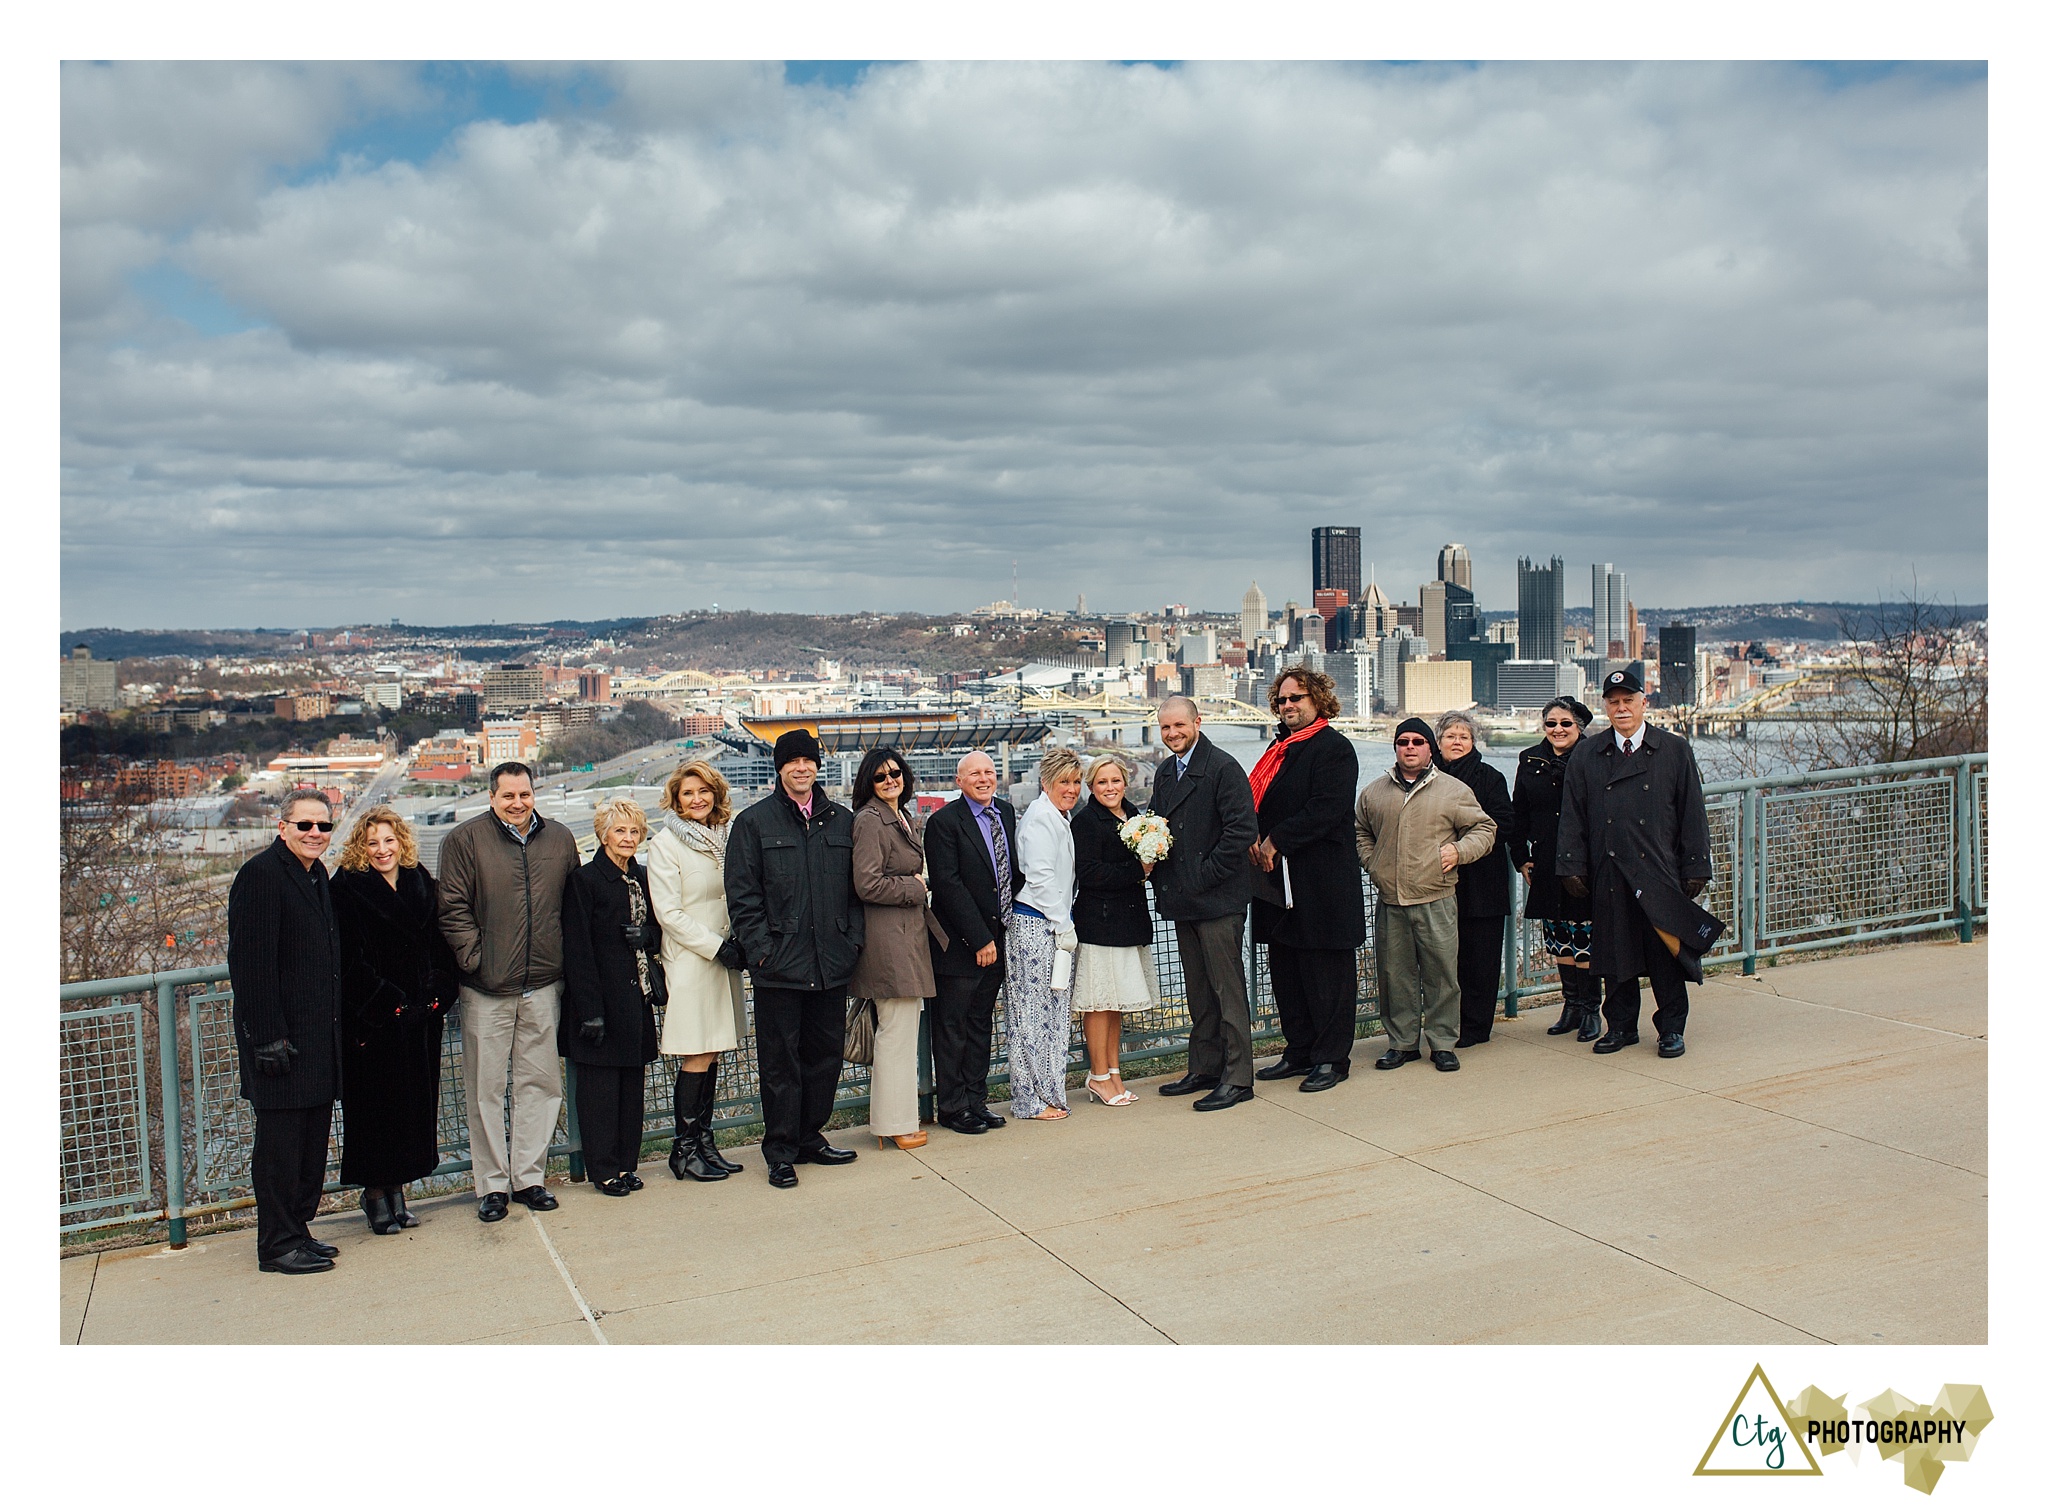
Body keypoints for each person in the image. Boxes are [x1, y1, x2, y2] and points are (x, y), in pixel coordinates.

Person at [437, 761, 581, 1222]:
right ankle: (492, 1184)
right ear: (492, 798)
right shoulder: (464, 840)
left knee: (541, 1084)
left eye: (525, 795)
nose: (517, 804)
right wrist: (476, 960)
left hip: (542, 982)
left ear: (534, 793)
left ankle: (530, 1178)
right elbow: (452, 908)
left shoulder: (559, 839)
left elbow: (570, 905)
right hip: (486, 987)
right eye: (508, 797)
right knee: (486, 1088)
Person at [724, 729, 864, 1188]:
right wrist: (761, 952)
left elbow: (854, 894)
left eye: (808, 760)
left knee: (824, 1057)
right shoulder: (754, 823)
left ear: (817, 766)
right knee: (780, 1063)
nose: (801, 768)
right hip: (778, 968)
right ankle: (780, 1149)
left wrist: (852, 943)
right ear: (779, 768)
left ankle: (810, 1137)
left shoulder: (840, 820)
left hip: (830, 963)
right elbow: (743, 897)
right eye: (792, 762)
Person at [1556, 668, 1717, 1059]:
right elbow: (1573, 813)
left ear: (1644, 703)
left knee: (1666, 954)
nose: (1621, 708)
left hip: (1659, 869)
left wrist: (1696, 865)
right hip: (1609, 869)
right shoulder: (1588, 753)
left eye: (1629, 700)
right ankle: (1622, 1026)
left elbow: (1692, 811)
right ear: (1605, 707)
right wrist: (1571, 864)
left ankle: (1671, 1029)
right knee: (1614, 953)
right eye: (1614, 702)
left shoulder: (1674, 749)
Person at [227, 790, 344, 1274]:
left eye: (323, 826)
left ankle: (298, 1230)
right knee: (279, 1148)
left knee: (310, 1144)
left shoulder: (315, 874)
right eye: (305, 825)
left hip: (317, 1040)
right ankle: (276, 1245)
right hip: (281, 1043)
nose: (315, 833)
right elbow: (250, 964)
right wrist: (268, 1037)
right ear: (282, 827)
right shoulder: (260, 875)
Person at [331, 805, 459, 1236]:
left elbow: (441, 946)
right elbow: (348, 961)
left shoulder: (420, 880)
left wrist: (437, 997)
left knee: (412, 1108)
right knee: (375, 1111)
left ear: (401, 841)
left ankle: (399, 1192)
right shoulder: (346, 889)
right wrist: (393, 1005)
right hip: (375, 1024)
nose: (382, 850)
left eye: (389, 841)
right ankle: (374, 1196)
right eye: (373, 843)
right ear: (360, 848)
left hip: (421, 1019)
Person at [1247, 667, 1366, 1092]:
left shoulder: (1334, 748)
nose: (1288, 705)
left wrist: (1276, 839)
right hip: (1277, 883)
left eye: (1296, 698)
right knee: (1287, 970)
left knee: (1326, 973)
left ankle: (1332, 1059)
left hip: (1321, 885)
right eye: (1281, 700)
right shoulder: (1278, 750)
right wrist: (1253, 836)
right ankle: (1299, 1050)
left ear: (1317, 700)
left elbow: (1328, 808)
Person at [1355, 719, 1497, 1073]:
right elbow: (1360, 831)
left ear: (1430, 748)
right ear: (1396, 747)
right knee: (1395, 976)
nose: (1410, 747)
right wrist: (1374, 864)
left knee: (1442, 976)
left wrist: (1459, 852)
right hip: (1392, 900)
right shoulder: (1375, 792)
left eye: (1418, 741)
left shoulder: (1453, 790)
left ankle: (1443, 1042)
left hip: (1436, 897)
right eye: (1403, 741)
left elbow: (1485, 828)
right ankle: (1402, 1043)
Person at [1149, 696, 1259, 1111]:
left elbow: (1241, 831)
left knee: (1227, 990)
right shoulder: (1165, 771)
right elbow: (1157, 824)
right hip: (1184, 899)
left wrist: (1203, 876)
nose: (1173, 734)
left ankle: (1238, 1078)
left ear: (1198, 721)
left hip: (1217, 900)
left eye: (1179, 725)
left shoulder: (1223, 768)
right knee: (1198, 990)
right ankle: (1206, 1067)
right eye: (1165, 728)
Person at [646, 760, 748, 1182]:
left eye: (703, 791)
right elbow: (668, 913)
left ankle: (704, 1144)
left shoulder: (723, 837)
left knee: (715, 1049)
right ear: (676, 799)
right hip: (693, 960)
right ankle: (683, 1149)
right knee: (697, 1053)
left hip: (724, 958)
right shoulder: (665, 844)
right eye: (688, 793)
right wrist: (716, 947)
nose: (697, 799)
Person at [560, 799, 664, 1196]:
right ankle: (603, 1170)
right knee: (600, 1092)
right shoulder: (584, 881)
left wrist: (648, 936)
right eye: (620, 831)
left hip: (635, 1000)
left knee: (631, 1089)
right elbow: (578, 948)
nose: (628, 838)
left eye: (635, 831)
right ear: (603, 834)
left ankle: (626, 1164)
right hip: (600, 1002)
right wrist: (590, 1011)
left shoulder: (640, 875)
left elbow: (657, 926)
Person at [922, 750, 1021, 1136]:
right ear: (959, 781)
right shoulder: (943, 822)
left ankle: (976, 1100)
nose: (983, 779)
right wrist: (979, 937)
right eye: (974, 774)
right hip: (961, 947)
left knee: (981, 1024)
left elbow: (1011, 873)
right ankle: (952, 1106)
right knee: (953, 1027)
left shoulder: (1006, 813)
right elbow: (947, 885)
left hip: (999, 939)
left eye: (989, 772)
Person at [848, 747, 938, 1150]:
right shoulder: (870, 820)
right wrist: (914, 888)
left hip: (904, 936)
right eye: (881, 776)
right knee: (896, 1035)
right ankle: (894, 1123)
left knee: (901, 1031)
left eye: (896, 774)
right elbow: (866, 884)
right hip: (889, 940)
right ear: (868, 781)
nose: (890, 781)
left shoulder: (898, 815)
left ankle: (897, 1120)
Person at [1508, 697, 1605, 1042]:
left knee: (1585, 936)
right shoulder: (1529, 759)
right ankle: (1572, 1006)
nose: (1558, 729)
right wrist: (1520, 856)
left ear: (1579, 726)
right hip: (1546, 859)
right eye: (1551, 723)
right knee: (1559, 937)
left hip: (1585, 861)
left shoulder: (1595, 757)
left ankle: (1592, 1008)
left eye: (1565, 723)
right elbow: (1518, 812)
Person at [1069, 754, 1160, 1105]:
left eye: (1115, 781)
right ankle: (1098, 1075)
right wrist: (1140, 870)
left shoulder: (1136, 817)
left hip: (1129, 921)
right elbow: (1090, 874)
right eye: (1102, 782)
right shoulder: (1086, 822)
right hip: (1100, 923)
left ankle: (1114, 1072)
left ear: (1126, 782)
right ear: (1092, 786)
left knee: (1116, 1003)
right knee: (1098, 1002)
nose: (1110, 788)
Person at [1007, 747, 1085, 1121]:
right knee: (1032, 1015)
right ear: (1046, 783)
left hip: (1051, 923)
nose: (1071, 789)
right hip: (1039, 924)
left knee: (1053, 1014)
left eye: (1075, 781)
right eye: (1063, 782)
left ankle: (1049, 1091)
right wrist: (1063, 923)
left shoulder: (1056, 815)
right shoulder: (1040, 819)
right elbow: (1039, 877)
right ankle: (1029, 1099)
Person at [1433, 710, 1516, 1048]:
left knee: (1480, 960)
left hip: (1482, 883)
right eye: (1450, 736)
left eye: (1463, 736)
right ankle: (1444, 1023)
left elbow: (1504, 823)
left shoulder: (1490, 778)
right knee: (1442, 961)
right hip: (1437, 884)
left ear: (1473, 742)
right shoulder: (1425, 776)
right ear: (1438, 743)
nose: (1456, 741)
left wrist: (1464, 843)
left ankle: (1477, 1027)